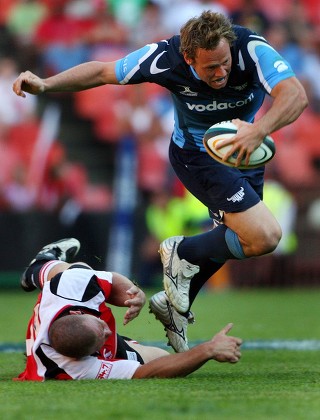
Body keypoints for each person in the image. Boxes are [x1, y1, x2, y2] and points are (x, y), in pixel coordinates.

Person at [12, 11, 308, 353]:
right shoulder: (164, 58)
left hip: (244, 149)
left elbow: (295, 95)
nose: (221, 72)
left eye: (224, 62)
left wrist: (259, 130)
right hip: (197, 157)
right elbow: (102, 71)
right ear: (188, 58)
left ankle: (174, 297)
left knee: (255, 241)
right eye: (210, 67)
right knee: (265, 235)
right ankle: (180, 252)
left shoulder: (251, 48)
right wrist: (47, 84)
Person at [16, 238, 242, 381]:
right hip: (69, 353)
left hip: (66, 291)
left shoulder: (69, 288)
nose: (108, 331)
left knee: (80, 270)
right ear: (85, 356)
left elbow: (112, 280)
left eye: (101, 327)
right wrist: (208, 350)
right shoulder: (77, 369)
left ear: (78, 312)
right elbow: (149, 373)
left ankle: (39, 266)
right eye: (103, 337)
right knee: (160, 358)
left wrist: (134, 295)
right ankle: (39, 268)